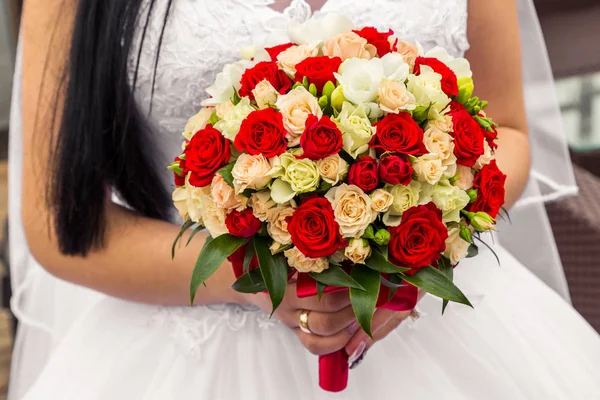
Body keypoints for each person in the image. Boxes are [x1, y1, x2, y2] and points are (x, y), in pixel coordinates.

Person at [8, 0, 600, 398]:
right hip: (182, 339)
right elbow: (57, 220)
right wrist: (256, 276)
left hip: (442, 325)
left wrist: (414, 255)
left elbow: (508, 132)